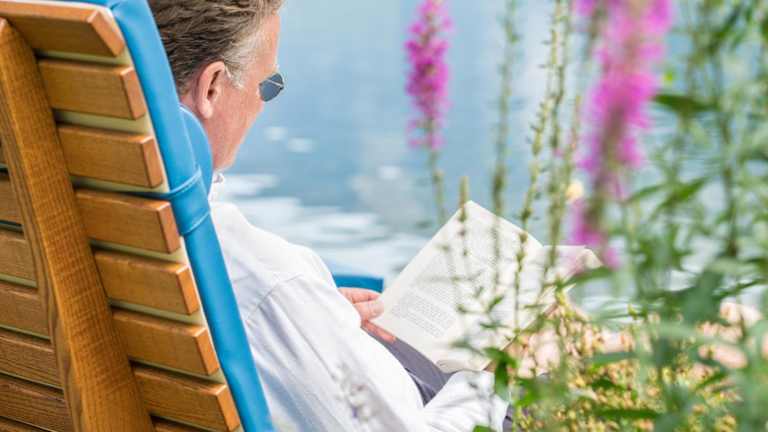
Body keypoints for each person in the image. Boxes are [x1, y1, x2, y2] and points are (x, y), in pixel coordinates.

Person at [147, 1, 508, 431]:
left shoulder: (118, 218)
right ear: (212, 87)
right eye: (267, 85)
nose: (263, 105)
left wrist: (316, 317)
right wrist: (496, 377)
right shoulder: (265, 280)